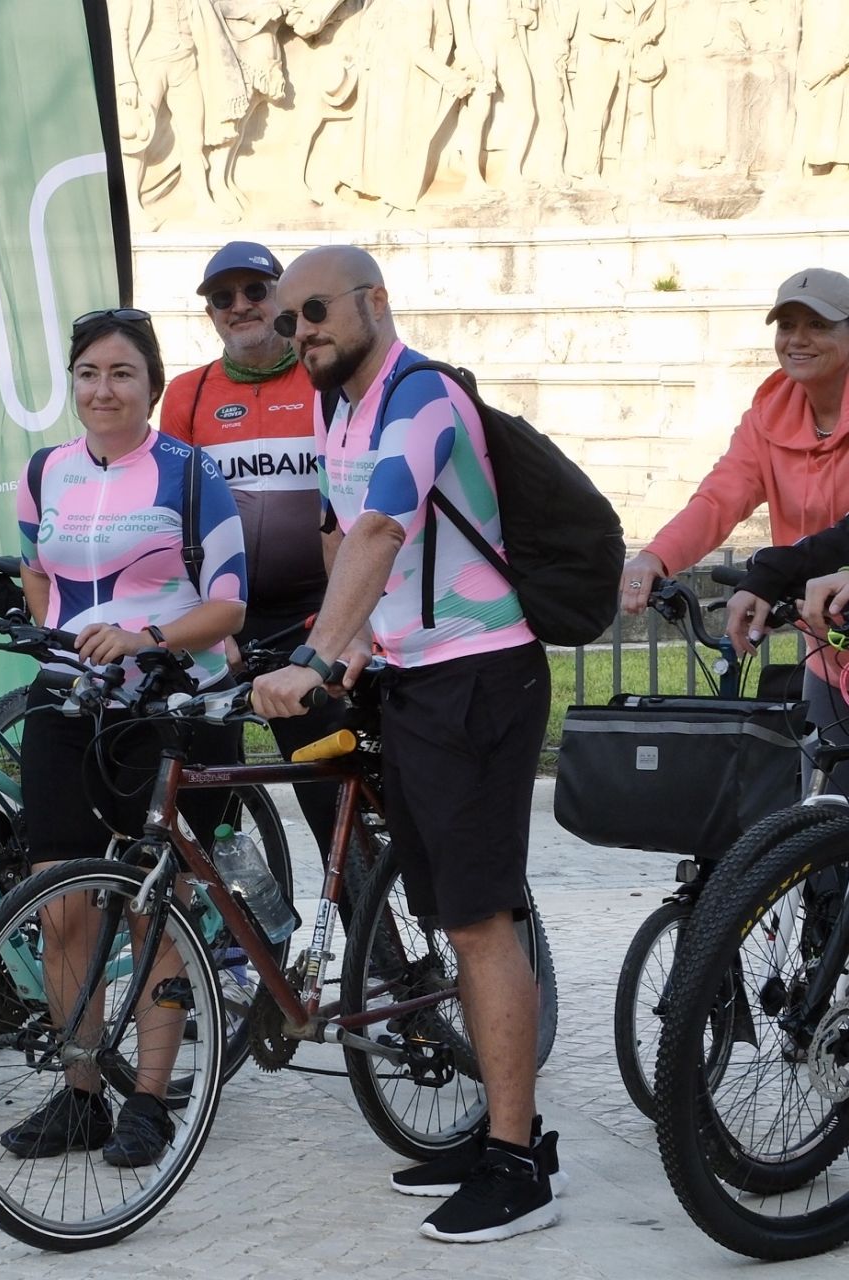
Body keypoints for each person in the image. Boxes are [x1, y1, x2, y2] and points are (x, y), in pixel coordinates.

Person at [251, 245, 560, 1242]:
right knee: (439, 902)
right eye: (291, 318)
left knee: (475, 918)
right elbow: (343, 536)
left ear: (375, 302)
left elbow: (383, 529)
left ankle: (520, 1162)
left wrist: (316, 650)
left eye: (319, 310)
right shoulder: (337, 405)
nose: (303, 330)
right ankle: (491, 1132)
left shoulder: (420, 398)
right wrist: (349, 656)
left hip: (482, 674)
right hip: (415, 675)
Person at [0, 307, 248, 1168]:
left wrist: (145, 642)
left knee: (150, 910)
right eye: (88, 375)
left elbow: (228, 606)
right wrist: (70, 641)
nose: (103, 391)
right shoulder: (45, 472)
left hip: (166, 709)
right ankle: (80, 1096)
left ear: (151, 384)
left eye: (122, 374)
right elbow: (38, 573)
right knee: (62, 907)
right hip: (68, 705)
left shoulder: (189, 474)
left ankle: (148, 1099)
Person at [160, 240, 346, 855]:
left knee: (328, 793)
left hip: (312, 614)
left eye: (255, 291)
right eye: (222, 298)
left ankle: (380, 947)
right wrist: (210, 622)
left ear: (280, 298)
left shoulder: (322, 378)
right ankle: (233, 943)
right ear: (211, 314)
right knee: (207, 794)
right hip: (224, 617)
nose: (240, 306)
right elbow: (177, 521)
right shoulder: (188, 393)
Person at [625, 268, 849, 773]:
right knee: (820, 814)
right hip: (830, 658)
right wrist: (655, 556)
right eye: (786, 325)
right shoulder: (769, 418)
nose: (797, 340)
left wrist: (773, 574)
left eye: (818, 325)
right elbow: (719, 498)